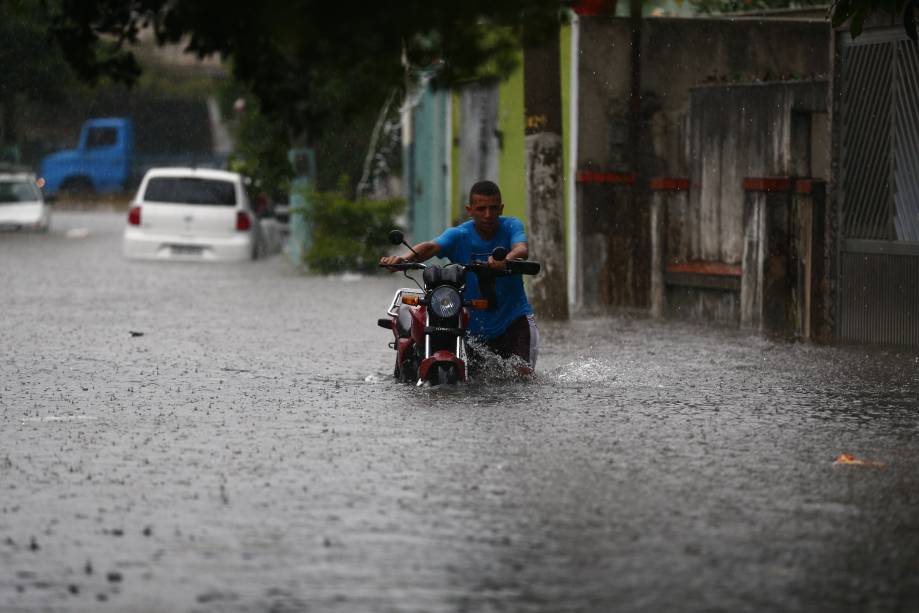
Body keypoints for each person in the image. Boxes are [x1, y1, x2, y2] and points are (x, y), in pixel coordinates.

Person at [380, 180, 538, 374]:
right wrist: (403, 259)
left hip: (514, 321)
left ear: (501, 209)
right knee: (477, 385)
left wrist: (506, 260)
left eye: (493, 208)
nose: (487, 215)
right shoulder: (459, 235)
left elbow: (521, 249)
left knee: (522, 379)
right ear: (469, 210)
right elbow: (431, 247)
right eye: (481, 209)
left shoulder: (512, 225)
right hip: (475, 327)